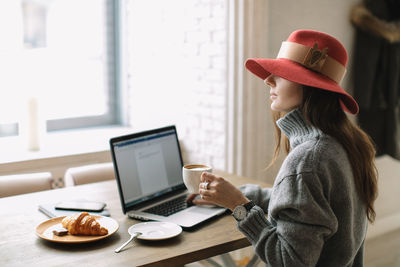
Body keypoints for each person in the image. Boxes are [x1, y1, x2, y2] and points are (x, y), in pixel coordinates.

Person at [187, 29, 378, 266]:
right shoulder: (345, 142)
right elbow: (306, 201)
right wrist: (234, 195)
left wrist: (238, 206)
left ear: (310, 85)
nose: (268, 79)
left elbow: (288, 260)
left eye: (282, 73)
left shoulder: (308, 160)